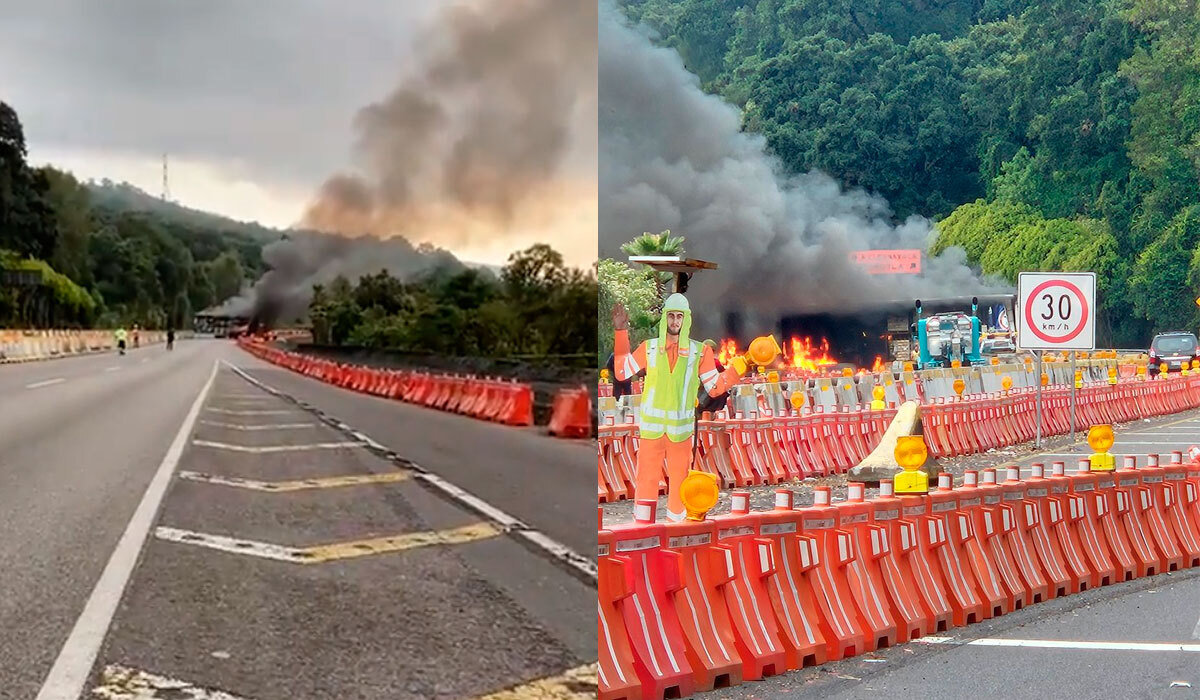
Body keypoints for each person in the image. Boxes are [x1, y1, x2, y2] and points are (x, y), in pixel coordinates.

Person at [613, 294, 748, 521]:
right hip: (652, 431)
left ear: (687, 320)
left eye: (680, 317)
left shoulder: (699, 352)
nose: (675, 321)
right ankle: (643, 529)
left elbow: (715, 387)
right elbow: (622, 372)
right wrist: (620, 333)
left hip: (681, 432)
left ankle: (676, 532)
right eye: (672, 316)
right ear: (666, 318)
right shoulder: (649, 348)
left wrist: (737, 370)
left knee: (679, 483)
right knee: (646, 480)